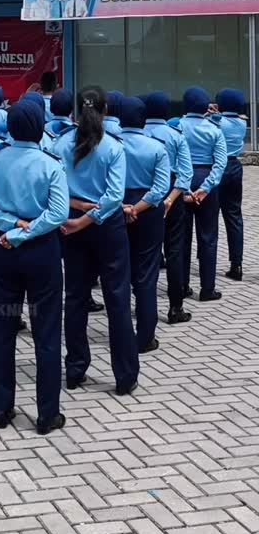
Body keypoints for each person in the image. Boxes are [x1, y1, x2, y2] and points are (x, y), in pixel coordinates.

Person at [0, 98, 68, 433]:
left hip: (4, 248)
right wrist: (26, 230)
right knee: (47, 333)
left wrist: (9, 225)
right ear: (41, 127)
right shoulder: (49, 164)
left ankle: (2, 406)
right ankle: (47, 413)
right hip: (41, 251)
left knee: (1, 330)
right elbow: (58, 214)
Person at [53, 86, 139, 396]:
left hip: (71, 229)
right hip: (107, 228)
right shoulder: (113, 147)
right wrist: (87, 217)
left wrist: (76, 215)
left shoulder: (60, 143)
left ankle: (75, 370)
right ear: (105, 111)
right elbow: (115, 196)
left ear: (74, 112)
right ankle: (125, 375)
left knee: (75, 297)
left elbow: (56, 189)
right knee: (117, 298)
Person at [119, 97, 170, 353]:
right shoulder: (156, 148)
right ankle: (145, 337)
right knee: (147, 274)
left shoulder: (110, 146)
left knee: (119, 272)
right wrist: (137, 208)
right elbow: (161, 188)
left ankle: (121, 333)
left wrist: (124, 207)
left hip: (116, 210)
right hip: (148, 212)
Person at [143, 92, 194, 325]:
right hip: (172, 193)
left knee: (145, 253)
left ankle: (144, 305)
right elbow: (186, 172)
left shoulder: (139, 133)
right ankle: (176, 307)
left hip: (143, 196)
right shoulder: (175, 136)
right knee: (174, 250)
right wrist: (173, 198)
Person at [180, 87, 227, 302]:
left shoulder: (178, 126)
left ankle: (182, 285)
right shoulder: (214, 129)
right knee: (208, 236)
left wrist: (184, 186)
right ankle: (207, 288)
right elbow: (221, 162)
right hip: (207, 176)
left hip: (183, 179)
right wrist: (206, 187)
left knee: (181, 236)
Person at [211, 89, 247, 282]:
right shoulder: (242, 123)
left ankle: (208, 261)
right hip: (235, 167)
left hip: (216, 167)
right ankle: (237, 263)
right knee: (234, 216)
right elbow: (238, 115)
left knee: (210, 217)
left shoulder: (216, 122)